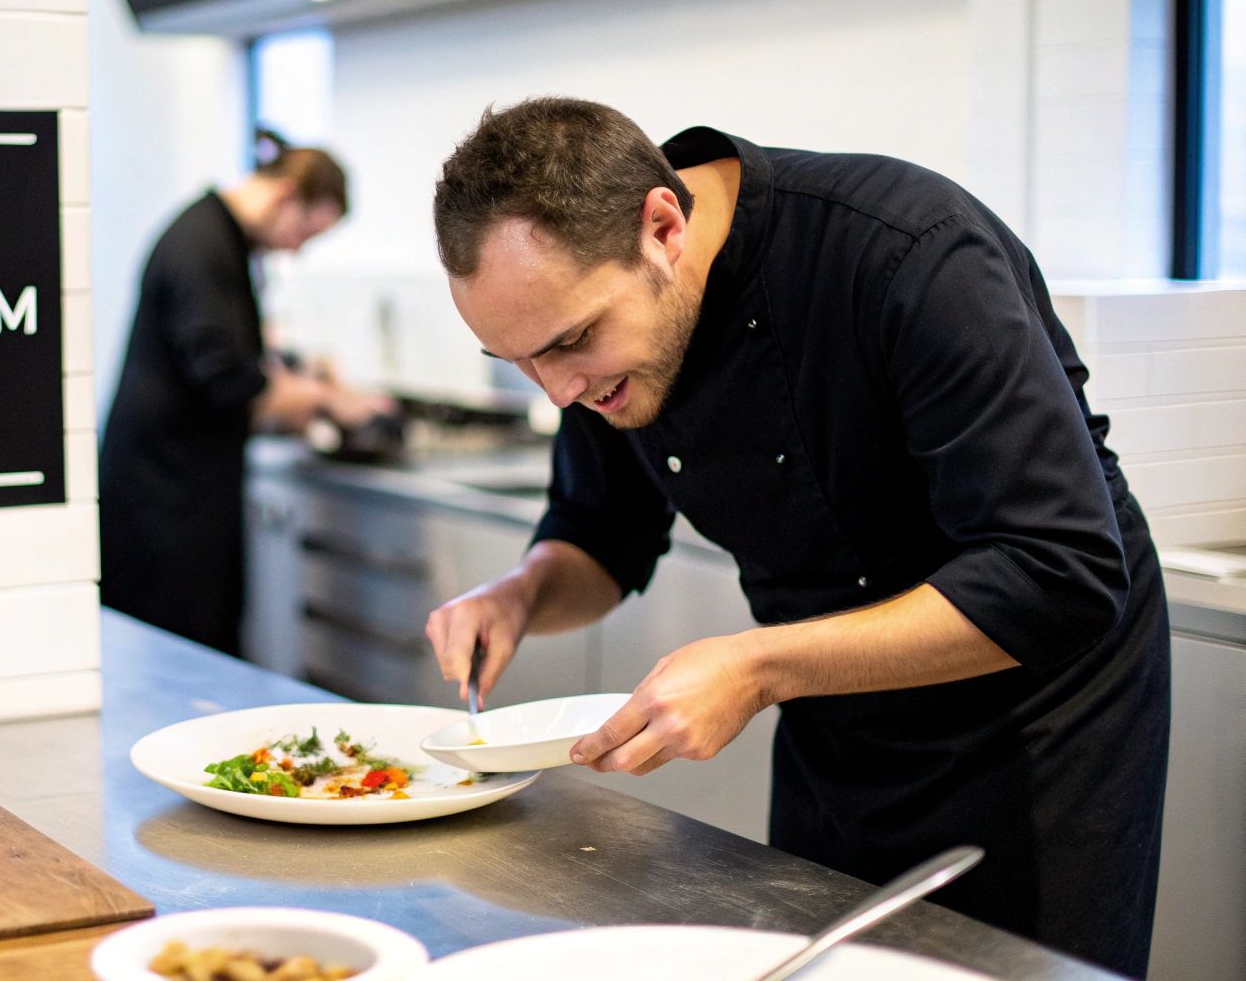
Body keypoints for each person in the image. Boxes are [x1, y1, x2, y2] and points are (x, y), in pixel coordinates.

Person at [422, 98, 1168, 978]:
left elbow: (1059, 572)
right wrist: (520, 593)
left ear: (663, 227)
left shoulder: (907, 251)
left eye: (571, 343)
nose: (556, 392)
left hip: (1033, 731)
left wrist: (761, 667)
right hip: (833, 717)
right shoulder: (592, 345)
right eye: (519, 363)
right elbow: (602, 533)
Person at [102, 135, 388, 656]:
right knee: (178, 654)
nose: (297, 249)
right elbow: (230, 382)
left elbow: (236, 353)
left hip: (183, 484)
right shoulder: (203, 245)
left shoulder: (220, 238)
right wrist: (327, 400)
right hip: (163, 496)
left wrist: (304, 373)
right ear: (285, 195)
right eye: (306, 231)